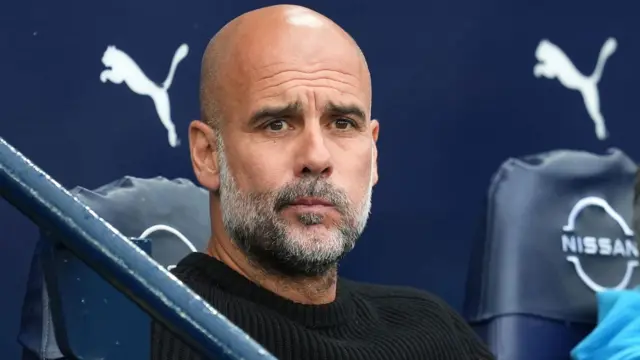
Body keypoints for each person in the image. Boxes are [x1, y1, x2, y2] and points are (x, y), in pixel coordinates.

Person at [152, 4, 494, 360]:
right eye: (277, 124)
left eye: (342, 123)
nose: (316, 158)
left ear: (374, 154)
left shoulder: (434, 333)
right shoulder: (142, 336)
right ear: (207, 154)